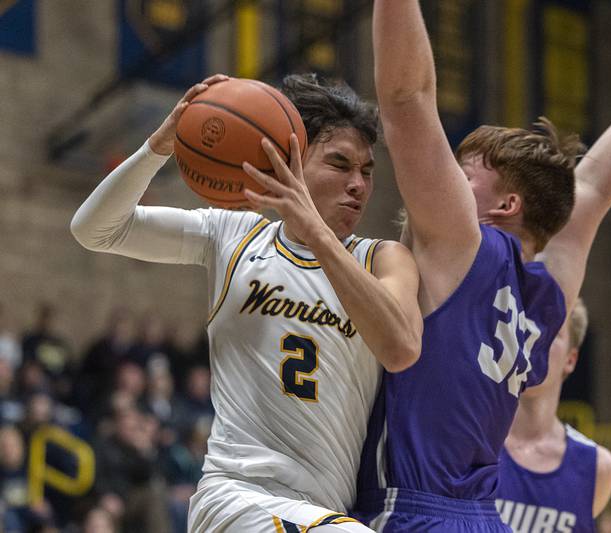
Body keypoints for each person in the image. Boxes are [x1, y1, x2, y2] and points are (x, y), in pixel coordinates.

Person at [356, 3, 611, 531]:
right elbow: (597, 188)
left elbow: (405, 99)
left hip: (414, 510)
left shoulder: (461, 246)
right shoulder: (548, 289)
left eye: (464, 176)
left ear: (506, 206)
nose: (446, 186)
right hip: (482, 518)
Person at [71, 73, 422, 531]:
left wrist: (315, 231)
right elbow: (95, 228)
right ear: (287, 161)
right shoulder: (232, 235)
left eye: (367, 171)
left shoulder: (382, 259)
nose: (358, 184)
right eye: (340, 164)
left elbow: (401, 348)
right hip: (236, 498)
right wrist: (159, 146)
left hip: (321, 509)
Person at [496, 300, 611, 533]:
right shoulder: (469, 444)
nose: (533, 341)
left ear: (571, 359)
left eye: (548, 332)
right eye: (526, 328)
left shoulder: (598, 468)